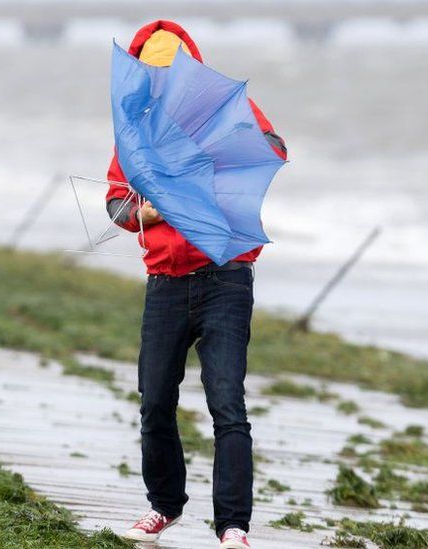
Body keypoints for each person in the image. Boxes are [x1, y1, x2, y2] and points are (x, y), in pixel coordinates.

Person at [104, 20, 287, 549]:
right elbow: (117, 204)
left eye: (173, 73)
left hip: (227, 276)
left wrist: (221, 154)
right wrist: (156, 208)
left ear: (191, 69)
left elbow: (272, 147)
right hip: (164, 281)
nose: (163, 83)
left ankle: (233, 525)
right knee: (155, 400)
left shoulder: (224, 111)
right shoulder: (134, 129)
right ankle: (164, 507)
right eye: (154, 74)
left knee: (227, 401)